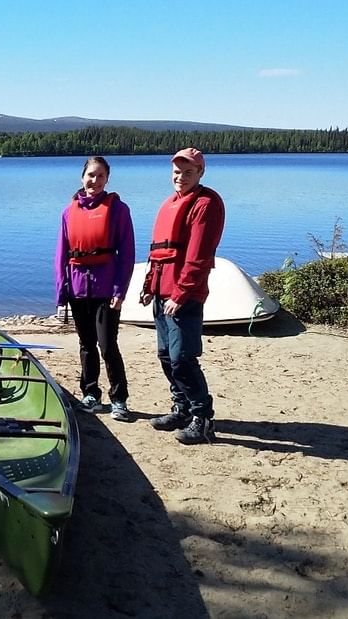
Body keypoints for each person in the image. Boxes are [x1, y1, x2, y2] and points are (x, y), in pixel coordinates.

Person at [139, 147, 226, 444]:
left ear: (200, 172)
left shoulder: (206, 203)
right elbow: (160, 253)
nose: (181, 177)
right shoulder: (170, 204)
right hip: (163, 294)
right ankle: (182, 408)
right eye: (177, 172)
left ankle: (202, 419)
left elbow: (198, 255)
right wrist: (149, 285)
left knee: (183, 359)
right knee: (165, 356)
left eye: (188, 172)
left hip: (183, 297)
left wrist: (182, 293)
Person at [55, 156, 136, 421]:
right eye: (91, 175)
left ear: (107, 179)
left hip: (105, 288)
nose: (95, 180)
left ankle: (119, 400)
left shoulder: (118, 210)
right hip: (78, 288)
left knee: (107, 345)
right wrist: (61, 292)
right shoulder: (69, 212)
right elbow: (61, 254)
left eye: (101, 176)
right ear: (82, 177)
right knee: (86, 344)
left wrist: (119, 290)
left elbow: (126, 253)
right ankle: (91, 394)